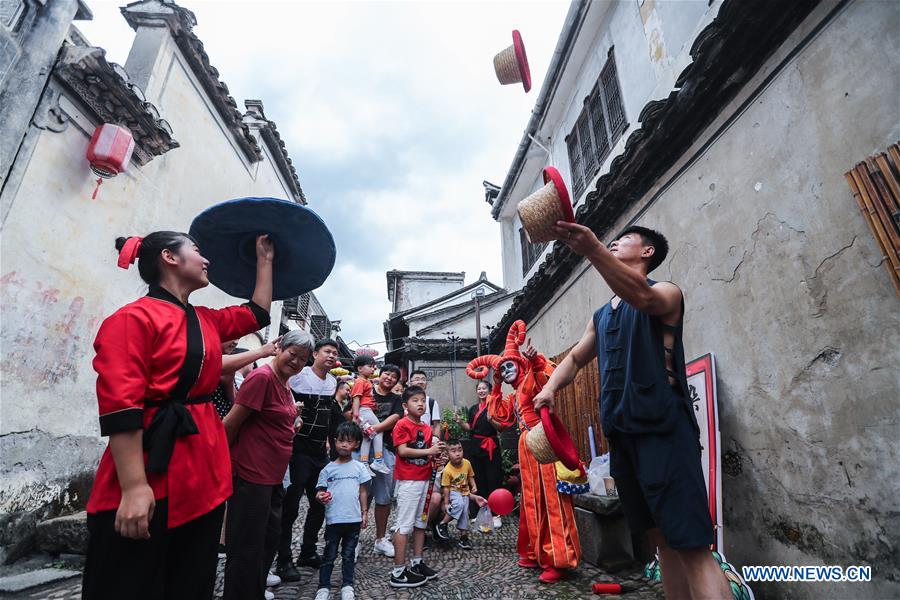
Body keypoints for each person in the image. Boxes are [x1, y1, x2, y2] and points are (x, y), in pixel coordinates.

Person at [533, 223, 732, 599]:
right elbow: (575, 358)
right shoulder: (601, 315)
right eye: (611, 240)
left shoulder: (666, 293)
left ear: (647, 252)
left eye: (625, 239)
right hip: (622, 437)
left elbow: (641, 296)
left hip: (664, 433)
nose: (615, 241)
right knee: (662, 544)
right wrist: (549, 388)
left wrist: (593, 249)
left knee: (692, 547)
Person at [82, 231, 272, 600]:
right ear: (170, 257)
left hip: (204, 468)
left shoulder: (206, 320)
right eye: (197, 251)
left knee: (191, 579)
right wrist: (135, 487)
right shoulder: (132, 318)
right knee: (132, 581)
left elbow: (257, 312)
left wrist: (264, 259)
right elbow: (122, 405)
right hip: (154, 461)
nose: (206, 260)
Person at [221, 330, 310, 600]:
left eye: (302, 360)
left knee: (266, 543)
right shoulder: (262, 378)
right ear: (280, 348)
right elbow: (230, 425)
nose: (296, 362)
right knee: (246, 548)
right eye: (292, 355)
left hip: (272, 477)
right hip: (250, 475)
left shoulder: (284, 383)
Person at [490, 321, 581, 584]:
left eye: (510, 365)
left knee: (552, 499)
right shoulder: (513, 393)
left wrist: (536, 361)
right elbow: (499, 418)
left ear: (519, 363)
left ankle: (559, 559)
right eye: (502, 368)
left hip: (544, 441)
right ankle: (535, 551)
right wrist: (496, 386)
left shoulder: (532, 375)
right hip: (526, 445)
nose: (506, 370)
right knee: (531, 498)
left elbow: (550, 379)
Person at [275, 338, 340, 581]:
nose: (331, 356)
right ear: (314, 354)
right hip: (297, 449)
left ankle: (308, 551)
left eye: (334, 353)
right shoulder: (298, 377)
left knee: (320, 503)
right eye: (327, 352)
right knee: (290, 508)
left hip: (319, 453)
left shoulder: (333, 382)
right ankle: (283, 559)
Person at [390, 386, 445, 588]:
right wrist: (429, 450)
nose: (420, 404)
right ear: (405, 405)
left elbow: (429, 455)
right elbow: (403, 451)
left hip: (425, 480)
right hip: (409, 481)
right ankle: (398, 572)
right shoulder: (401, 425)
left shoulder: (427, 428)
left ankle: (417, 562)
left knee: (421, 523)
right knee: (403, 524)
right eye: (415, 400)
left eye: (423, 400)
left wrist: (437, 459)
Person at [314, 421, 370, 600]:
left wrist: (365, 512)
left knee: (349, 555)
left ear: (357, 444)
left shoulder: (360, 468)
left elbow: (363, 491)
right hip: (334, 520)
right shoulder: (328, 469)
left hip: (353, 520)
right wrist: (320, 497)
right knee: (329, 555)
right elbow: (319, 492)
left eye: (349, 441)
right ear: (335, 441)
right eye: (340, 440)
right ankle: (323, 587)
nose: (344, 444)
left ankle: (347, 585)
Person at [456, 380, 506, 529]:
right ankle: (480, 512)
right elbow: (469, 428)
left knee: (493, 478)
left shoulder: (495, 406)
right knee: (478, 479)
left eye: (484, 388)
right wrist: (460, 422)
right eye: (479, 388)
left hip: (492, 445)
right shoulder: (473, 409)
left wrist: (491, 420)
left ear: (490, 391)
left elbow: (501, 428)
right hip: (476, 446)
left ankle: (496, 514)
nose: (482, 391)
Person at [368, 364, 405, 557]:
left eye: (394, 376)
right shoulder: (366, 391)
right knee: (360, 495)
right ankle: (353, 540)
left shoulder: (397, 400)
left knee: (384, 497)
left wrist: (375, 428)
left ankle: (380, 539)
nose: (389, 378)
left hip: (386, 451)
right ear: (380, 375)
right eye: (387, 374)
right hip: (363, 450)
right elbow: (350, 412)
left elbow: (396, 417)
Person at [435, 439, 487, 549]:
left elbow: (470, 476)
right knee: (459, 504)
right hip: (453, 491)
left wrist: (474, 486)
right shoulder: (447, 470)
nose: (457, 453)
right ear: (447, 454)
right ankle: (442, 524)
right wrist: (446, 503)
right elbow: (446, 488)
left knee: (465, 513)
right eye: (453, 451)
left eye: (460, 450)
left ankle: (464, 538)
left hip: (465, 492)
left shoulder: (467, 463)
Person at [351, 356, 390, 474]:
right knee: (378, 430)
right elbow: (356, 398)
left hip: (365, 411)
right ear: (360, 368)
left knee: (368, 436)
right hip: (365, 411)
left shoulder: (365, 381)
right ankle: (378, 460)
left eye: (374, 367)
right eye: (370, 366)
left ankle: (364, 463)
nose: (373, 369)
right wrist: (356, 415)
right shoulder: (360, 381)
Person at [408, 370, 441, 437]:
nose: (420, 382)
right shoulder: (404, 400)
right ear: (410, 383)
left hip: (425, 440)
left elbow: (436, 425)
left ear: (426, 383)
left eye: (423, 379)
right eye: (417, 379)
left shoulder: (431, 402)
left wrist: (435, 439)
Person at [327, 380, 353, 461]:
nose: (349, 392)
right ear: (340, 389)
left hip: (340, 441)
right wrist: (326, 441)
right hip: (331, 440)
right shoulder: (331, 404)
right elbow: (326, 423)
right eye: (347, 390)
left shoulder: (344, 406)